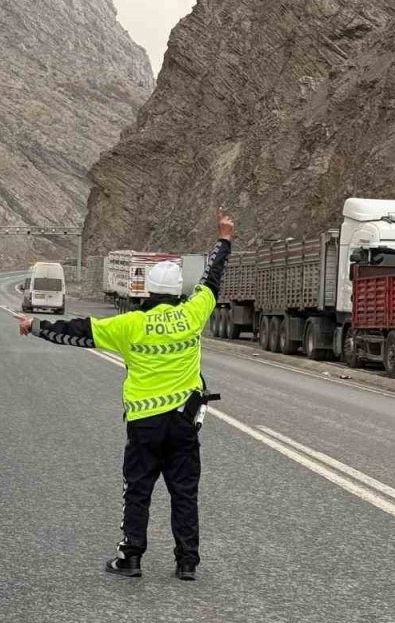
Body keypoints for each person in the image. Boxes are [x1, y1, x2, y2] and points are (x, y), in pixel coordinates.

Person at [18, 211, 234, 582]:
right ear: (179, 291)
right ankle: (187, 563)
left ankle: (130, 558)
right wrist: (224, 239)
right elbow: (212, 277)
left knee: (137, 491)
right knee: (184, 493)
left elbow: (79, 331)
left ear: (147, 292)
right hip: (184, 422)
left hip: (144, 425)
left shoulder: (130, 324)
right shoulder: (194, 314)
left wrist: (35, 325)